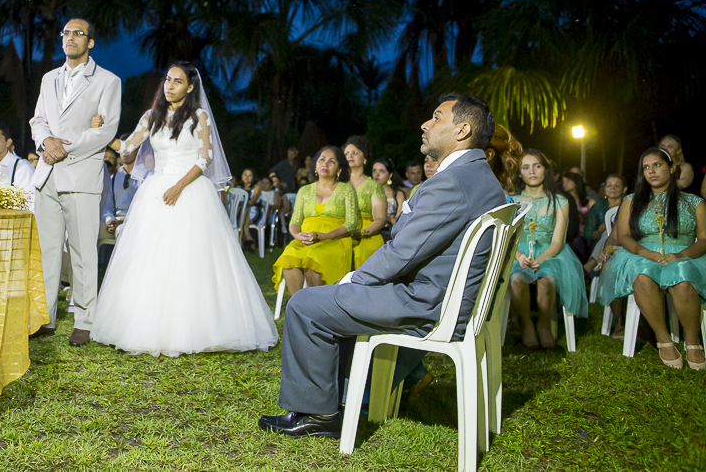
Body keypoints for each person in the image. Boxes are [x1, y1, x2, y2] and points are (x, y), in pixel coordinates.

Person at [258, 94, 504, 438]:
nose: (425, 124)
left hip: (426, 301)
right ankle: (342, 398)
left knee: (304, 304)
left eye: (437, 117)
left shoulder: (453, 181)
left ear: (462, 130)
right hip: (448, 297)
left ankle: (318, 414)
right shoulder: (480, 176)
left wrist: (353, 279)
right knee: (330, 300)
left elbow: (402, 251)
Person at [90, 63, 277, 356]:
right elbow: (126, 148)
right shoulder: (151, 116)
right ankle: (148, 326)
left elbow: (205, 158)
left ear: (190, 87)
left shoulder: (198, 116)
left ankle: (199, 327)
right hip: (156, 189)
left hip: (190, 190)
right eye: (168, 79)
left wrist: (179, 185)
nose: (170, 85)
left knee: (192, 258)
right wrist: (102, 133)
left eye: (177, 81)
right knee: (152, 256)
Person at [30, 18, 121, 347]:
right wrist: (45, 141)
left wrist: (62, 148)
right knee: (46, 251)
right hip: (47, 174)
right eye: (66, 33)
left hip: (81, 174)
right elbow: (38, 120)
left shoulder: (108, 81)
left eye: (78, 33)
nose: (70, 37)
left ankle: (85, 320)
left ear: (90, 42)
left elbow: (105, 131)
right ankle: (44, 316)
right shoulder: (49, 78)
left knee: (83, 253)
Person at [599, 148, 706, 368]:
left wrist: (680, 255)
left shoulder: (694, 202)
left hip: (684, 254)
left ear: (672, 168)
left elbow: (704, 239)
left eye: (657, 165)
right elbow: (624, 236)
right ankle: (664, 339)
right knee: (642, 275)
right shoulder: (631, 201)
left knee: (683, 276)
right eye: (646, 167)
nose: (651, 171)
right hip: (642, 253)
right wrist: (647, 253)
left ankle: (693, 342)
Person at [509, 150, 588, 349]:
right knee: (517, 279)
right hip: (517, 252)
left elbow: (557, 242)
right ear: (519, 173)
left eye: (537, 166)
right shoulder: (512, 200)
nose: (532, 171)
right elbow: (507, 236)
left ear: (546, 170)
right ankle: (527, 324)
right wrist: (519, 256)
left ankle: (543, 324)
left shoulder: (560, 201)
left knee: (547, 278)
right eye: (525, 167)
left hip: (550, 252)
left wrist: (540, 259)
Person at [272, 147, 358, 297]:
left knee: (314, 257)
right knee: (289, 256)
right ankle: (299, 304)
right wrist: (297, 235)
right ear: (315, 165)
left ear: (339, 169)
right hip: (306, 240)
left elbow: (351, 224)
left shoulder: (347, 190)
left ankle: (315, 304)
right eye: (322, 159)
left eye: (332, 161)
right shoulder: (304, 191)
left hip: (334, 240)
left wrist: (324, 236)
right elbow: (295, 221)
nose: (325, 164)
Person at [342, 136, 387, 267]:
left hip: (366, 232)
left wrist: (363, 232)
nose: (350, 156)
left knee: (363, 252)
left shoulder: (374, 186)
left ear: (365, 158)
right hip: (340, 231)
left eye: (355, 153)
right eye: (346, 153)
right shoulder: (337, 184)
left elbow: (380, 218)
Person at [373, 157, 407, 230]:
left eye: (382, 171)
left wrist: (385, 218)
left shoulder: (398, 194)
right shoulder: (367, 192)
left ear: (390, 175)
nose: (377, 174)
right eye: (374, 170)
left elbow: (400, 222)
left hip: (390, 232)